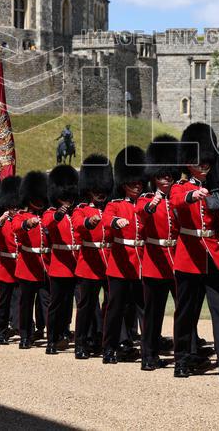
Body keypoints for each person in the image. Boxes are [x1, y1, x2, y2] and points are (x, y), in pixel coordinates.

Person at [171, 122, 219, 381]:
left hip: (214, 255)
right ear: (188, 162)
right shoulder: (181, 187)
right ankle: (182, 359)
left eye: (207, 160)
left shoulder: (218, 189)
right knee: (187, 311)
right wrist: (192, 196)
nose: (204, 165)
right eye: (198, 161)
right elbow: (176, 200)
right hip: (190, 256)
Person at [137, 135, 180, 371]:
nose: (166, 179)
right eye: (162, 175)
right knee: (153, 313)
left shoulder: (177, 198)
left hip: (176, 259)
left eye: (169, 175)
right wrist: (154, 201)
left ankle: (185, 352)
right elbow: (141, 215)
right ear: (154, 177)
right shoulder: (145, 199)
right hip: (155, 260)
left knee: (182, 310)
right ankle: (148, 355)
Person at [102, 146, 147, 364]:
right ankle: (109, 348)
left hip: (142, 262)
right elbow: (106, 219)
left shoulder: (146, 203)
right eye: (132, 183)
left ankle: (148, 351)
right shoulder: (115, 204)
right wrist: (115, 222)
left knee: (144, 309)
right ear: (123, 184)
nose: (137, 186)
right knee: (115, 309)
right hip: (120, 263)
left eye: (139, 182)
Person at [73, 154, 113, 359]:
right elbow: (78, 224)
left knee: (110, 305)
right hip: (89, 263)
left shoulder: (111, 208)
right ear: (88, 190)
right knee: (86, 307)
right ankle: (80, 343)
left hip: (109, 262)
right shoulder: (81, 209)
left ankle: (106, 342)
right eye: (95, 189)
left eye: (102, 189)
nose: (99, 193)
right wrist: (90, 222)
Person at [43, 165, 80, 354]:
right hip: (59, 265)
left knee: (70, 304)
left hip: (76, 264)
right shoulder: (51, 212)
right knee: (56, 304)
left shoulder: (76, 213)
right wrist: (58, 215)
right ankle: (51, 339)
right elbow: (47, 224)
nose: (68, 200)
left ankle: (66, 333)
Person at [14, 172, 51, 349]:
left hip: (45, 265)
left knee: (46, 302)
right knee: (26, 304)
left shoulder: (46, 216)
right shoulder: (21, 216)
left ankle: (51, 334)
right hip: (28, 265)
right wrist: (26, 225)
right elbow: (16, 228)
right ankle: (25, 335)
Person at [0, 179, 21, 345]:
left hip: (21, 265)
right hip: (6, 266)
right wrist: (1, 219)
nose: (14, 210)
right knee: (4, 302)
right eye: (11, 207)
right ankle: (1, 332)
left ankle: (21, 328)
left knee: (21, 300)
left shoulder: (21, 220)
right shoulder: (1, 222)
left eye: (16, 207)